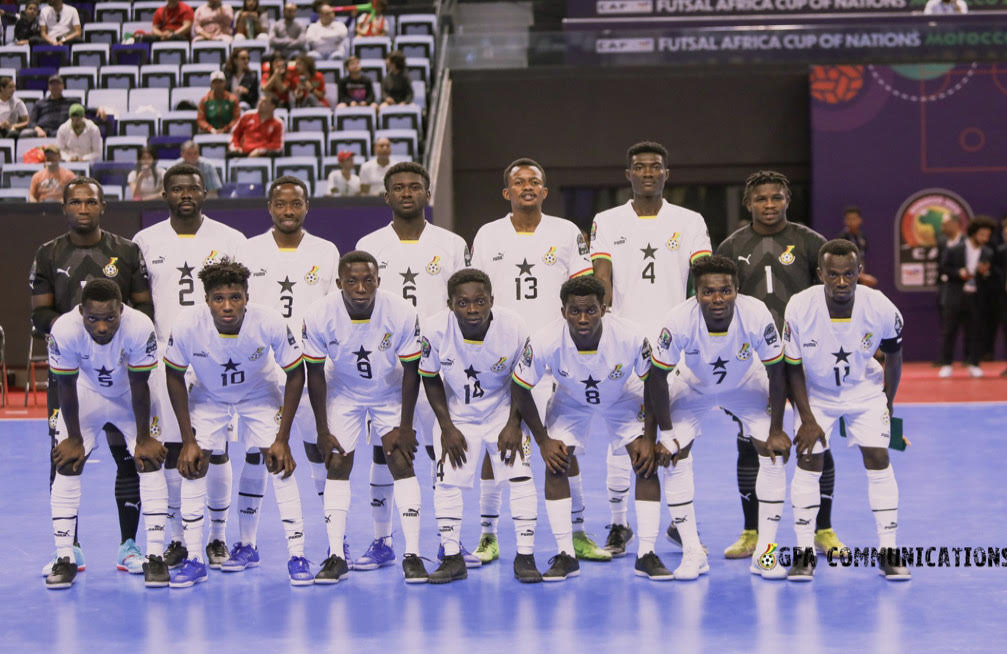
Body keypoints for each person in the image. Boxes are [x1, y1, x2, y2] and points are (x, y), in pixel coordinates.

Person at [469, 158, 601, 565]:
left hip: (554, 356)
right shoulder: (488, 234)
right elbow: (474, 292)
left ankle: (577, 533)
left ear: (545, 191)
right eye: (518, 182)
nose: (527, 187)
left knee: (563, 445)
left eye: (534, 182)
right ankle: (488, 535)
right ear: (506, 192)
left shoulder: (565, 232)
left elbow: (584, 289)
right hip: (501, 357)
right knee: (497, 446)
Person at [590, 140, 711, 556]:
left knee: (676, 436)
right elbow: (601, 276)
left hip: (674, 344)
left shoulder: (689, 220)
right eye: (639, 167)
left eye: (655, 166)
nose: (647, 172)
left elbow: (703, 275)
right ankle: (618, 524)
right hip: (623, 344)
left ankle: (680, 524)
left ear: (666, 174)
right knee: (622, 437)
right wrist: (602, 327)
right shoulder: (607, 220)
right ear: (628, 174)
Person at [30, 177, 155, 577]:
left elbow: (144, 307)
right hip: (69, 371)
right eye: (75, 202)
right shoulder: (48, 253)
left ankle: (129, 546)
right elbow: (39, 314)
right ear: (64, 207)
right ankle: (70, 549)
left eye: (90, 202)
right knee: (65, 454)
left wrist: (109, 334)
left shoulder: (126, 251)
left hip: (121, 371)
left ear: (103, 206)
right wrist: (79, 334)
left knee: (129, 456)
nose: (83, 208)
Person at [715, 170, 843, 559]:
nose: (769, 205)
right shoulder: (731, 246)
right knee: (750, 443)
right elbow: (721, 302)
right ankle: (751, 531)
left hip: (806, 356)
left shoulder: (810, 242)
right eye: (761, 199)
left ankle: (823, 530)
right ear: (748, 203)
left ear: (787, 200)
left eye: (776, 197)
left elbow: (833, 296)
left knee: (815, 438)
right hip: (754, 361)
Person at [164, 258, 310, 587]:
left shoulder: (268, 321)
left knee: (279, 464)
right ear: (207, 300)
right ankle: (194, 558)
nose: (227, 306)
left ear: (247, 297)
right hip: (208, 394)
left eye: (235, 297)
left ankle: (295, 555)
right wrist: (188, 441)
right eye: (219, 298)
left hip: (258, 391)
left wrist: (282, 439)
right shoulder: (187, 324)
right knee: (194, 464)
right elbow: (173, 375)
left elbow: (295, 372)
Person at [354, 162, 469, 570]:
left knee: (443, 448)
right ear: (387, 196)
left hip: (439, 365)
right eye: (399, 188)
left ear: (427, 193)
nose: (407, 193)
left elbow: (466, 303)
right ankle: (382, 540)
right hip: (387, 368)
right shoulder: (370, 244)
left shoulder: (452, 244)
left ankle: (449, 540)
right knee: (384, 452)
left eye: (415, 187)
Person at [512, 276, 664, 581]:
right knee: (556, 463)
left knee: (645, 462)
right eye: (575, 311)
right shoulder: (545, 339)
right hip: (571, 399)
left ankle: (646, 554)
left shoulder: (631, 335)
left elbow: (654, 382)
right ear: (563, 312)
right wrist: (542, 440)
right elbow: (520, 385)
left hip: (623, 395)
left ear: (604, 309)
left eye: (591, 310)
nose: (583, 318)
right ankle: (566, 555)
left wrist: (650, 437)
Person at [132, 163, 246, 569]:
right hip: (165, 357)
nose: (186, 195)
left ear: (204, 193)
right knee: (172, 450)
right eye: (177, 189)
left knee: (217, 450)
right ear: (164, 194)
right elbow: (139, 304)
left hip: (218, 354)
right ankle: (179, 538)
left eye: (193, 188)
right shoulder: (145, 240)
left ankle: (217, 537)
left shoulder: (230, 239)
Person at [647, 256, 788, 579]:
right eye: (708, 292)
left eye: (725, 290)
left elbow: (777, 370)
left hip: (745, 384)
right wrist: (665, 434)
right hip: (693, 386)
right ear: (696, 294)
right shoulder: (678, 319)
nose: (718, 298)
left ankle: (765, 554)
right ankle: (693, 552)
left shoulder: (755, 313)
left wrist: (777, 429)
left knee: (773, 451)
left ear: (737, 290)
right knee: (674, 453)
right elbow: (656, 376)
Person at [782, 239, 909, 581]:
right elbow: (791, 367)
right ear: (820, 273)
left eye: (849, 274)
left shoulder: (880, 306)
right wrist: (807, 419)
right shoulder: (799, 306)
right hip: (816, 393)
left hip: (865, 392)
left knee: (879, 457)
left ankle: (889, 551)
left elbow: (894, 357)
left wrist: (887, 402)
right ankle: (804, 553)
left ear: (859, 272)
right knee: (809, 460)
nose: (841, 281)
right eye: (833, 274)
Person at [233, 176, 341, 570]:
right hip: (261, 371)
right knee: (257, 452)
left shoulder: (326, 251)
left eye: (296, 204)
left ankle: (336, 543)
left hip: (312, 368)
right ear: (270, 208)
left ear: (307, 206)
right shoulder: (247, 251)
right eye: (281, 204)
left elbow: (335, 312)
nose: (288, 211)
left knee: (319, 451)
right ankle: (247, 543)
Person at [302, 250, 427, 584]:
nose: (360, 288)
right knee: (337, 463)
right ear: (339, 283)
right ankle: (336, 556)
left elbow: (412, 370)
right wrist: (322, 430)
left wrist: (405, 426)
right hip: (343, 392)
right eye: (352, 281)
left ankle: (412, 555)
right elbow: (315, 374)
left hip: (389, 390)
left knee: (401, 460)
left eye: (368, 280)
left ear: (378, 281)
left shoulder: (401, 311)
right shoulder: (318, 314)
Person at [45, 279, 170, 590]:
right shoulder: (64, 329)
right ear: (81, 312)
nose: (102, 327)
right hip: (86, 393)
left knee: (149, 461)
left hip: (131, 395)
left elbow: (140, 384)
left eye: (110, 318)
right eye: (93, 319)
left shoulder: (139, 326)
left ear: (121, 310)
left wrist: (144, 438)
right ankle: (65, 557)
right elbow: (65, 386)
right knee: (66, 463)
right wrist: (74, 438)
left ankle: (155, 557)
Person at [420, 269, 542, 583]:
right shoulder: (434, 329)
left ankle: (525, 556)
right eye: (463, 303)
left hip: (504, 410)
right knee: (447, 482)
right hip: (457, 416)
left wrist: (514, 423)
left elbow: (522, 379)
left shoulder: (513, 326)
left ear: (492, 300)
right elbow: (430, 378)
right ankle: (452, 557)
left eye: (480, 301)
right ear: (450, 304)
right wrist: (446, 427)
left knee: (520, 476)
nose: (472, 309)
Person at [939, 215, 995, 378]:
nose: (985, 239)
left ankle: (974, 364)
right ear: (973, 233)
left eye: (987, 236)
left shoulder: (988, 252)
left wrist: (984, 273)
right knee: (949, 331)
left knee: (975, 332)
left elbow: (992, 275)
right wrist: (959, 273)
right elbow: (944, 267)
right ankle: (947, 364)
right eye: (982, 235)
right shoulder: (955, 249)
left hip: (976, 297)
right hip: (955, 295)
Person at [837, 206, 878, 287]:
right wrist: (862, 277)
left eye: (854, 219)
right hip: (846, 279)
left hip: (858, 276)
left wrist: (861, 277)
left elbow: (861, 258)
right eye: (849, 219)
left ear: (860, 220)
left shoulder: (862, 237)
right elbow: (843, 264)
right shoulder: (842, 239)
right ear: (845, 221)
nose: (852, 222)